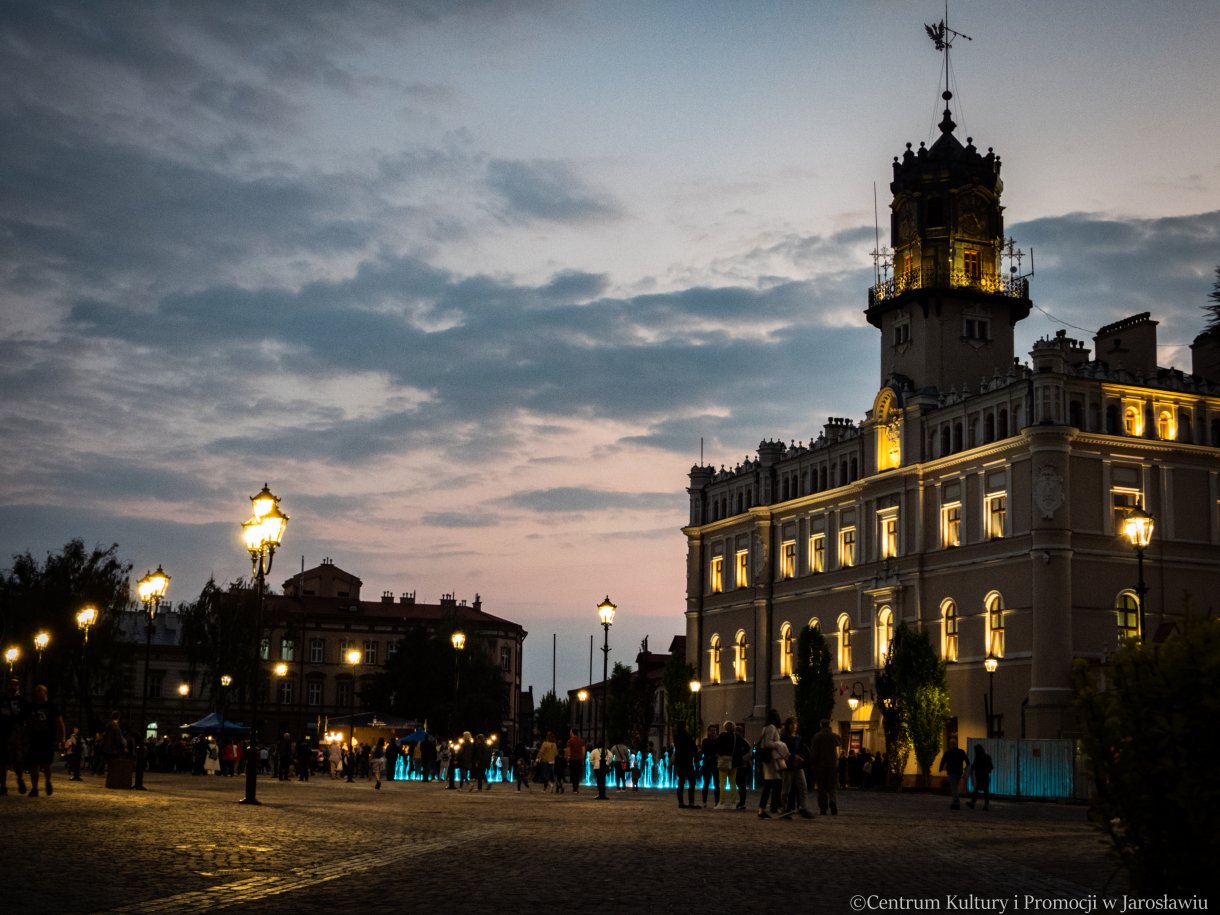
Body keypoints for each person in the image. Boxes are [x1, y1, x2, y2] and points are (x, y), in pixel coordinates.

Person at [24, 685, 65, 797]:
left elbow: (60, 722)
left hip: (47, 739)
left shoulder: (51, 706)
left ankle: (48, 781)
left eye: (39, 691)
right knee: (34, 765)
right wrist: (26, 736)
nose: (36, 693)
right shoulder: (32, 706)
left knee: (46, 764)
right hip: (34, 738)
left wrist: (62, 738)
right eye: (35, 691)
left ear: (45, 692)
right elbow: (28, 722)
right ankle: (35, 788)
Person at [779, 716, 813, 818]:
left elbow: (802, 749)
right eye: (792, 724)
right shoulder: (784, 738)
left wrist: (801, 757)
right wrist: (793, 757)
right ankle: (783, 807)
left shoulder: (799, 737)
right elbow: (784, 751)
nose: (794, 726)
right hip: (788, 767)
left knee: (803, 787)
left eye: (795, 724)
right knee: (786, 789)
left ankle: (803, 807)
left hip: (798, 766)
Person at [0, 677, 29, 795]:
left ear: (18, 687)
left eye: (15, 684)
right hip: (2, 732)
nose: (13, 686)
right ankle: (3, 785)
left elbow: (26, 717)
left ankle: (20, 778)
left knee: (17, 760)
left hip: (16, 733)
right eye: (11, 684)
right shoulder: (2, 700)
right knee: (2, 761)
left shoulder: (22, 701)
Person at [808, 718, 841, 815]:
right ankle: (833, 801)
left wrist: (812, 764)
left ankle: (823, 808)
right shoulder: (834, 736)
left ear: (821, 725)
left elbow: (813, 753)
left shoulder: (817, 736)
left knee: (821, 787)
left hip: (820, 766)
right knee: (832, 786)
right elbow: (839, 742)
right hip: (832, 765)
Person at [756, 709, 784, 818]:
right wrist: (779, 744)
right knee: (775, 783)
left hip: (767, 759)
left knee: (771, 783)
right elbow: (768, 743)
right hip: (771, 759)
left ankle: (766, 808)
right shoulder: (772, 727)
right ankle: (773, 807)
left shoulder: (765, 728)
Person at [939, 738, 970, 810]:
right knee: (955, 788)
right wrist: (965, 768)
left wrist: (940, 769)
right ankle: (954, 803)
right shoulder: (961, 752)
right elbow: (968, 762)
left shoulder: (948, 752)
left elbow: (943, 761)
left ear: (950, 744)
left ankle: (956, 803)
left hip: (952, 772)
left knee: (954, 788)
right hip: (959, 772)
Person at [673, 721, 698, 808]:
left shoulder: (676, 736)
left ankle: (681, 802)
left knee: (681, 781)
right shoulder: (688, 736)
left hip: (679, 762)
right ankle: (691, 802)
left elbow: (678, 748)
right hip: (687, 761)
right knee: (692, 781)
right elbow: (694, 748)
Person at [713, 720, 735, 809]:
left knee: (722, 782)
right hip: (733, 761)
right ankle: (734, 802)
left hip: (723, 759)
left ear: (725, 727)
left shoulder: (722, 735)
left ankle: (722, 802)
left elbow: (716, 745)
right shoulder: (735, 736)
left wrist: (718, 754)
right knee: (733, 782)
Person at [966, 744, 993, 810]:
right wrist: (987, 771)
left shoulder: (978, 757)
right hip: (986, 776)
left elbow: (973, 766)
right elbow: (991, 766)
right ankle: (986, 806)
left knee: (976, 790)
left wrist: (968, 771)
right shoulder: (988, 756)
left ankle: (972, 803)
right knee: (986, 791)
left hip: (979, 776)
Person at [699, 723, 720, 808]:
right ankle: (704, 802)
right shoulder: (705, 741)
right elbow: (705, 751)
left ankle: (717, 802)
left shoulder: (718, 741)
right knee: (706, 783)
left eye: (714, 731)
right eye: (711, 731)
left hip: (715, 763)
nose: (713, 732)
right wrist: (714, 753)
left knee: (716, 784)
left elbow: (718, 751)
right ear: (708, 732)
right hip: (707, 763)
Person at [732, 723, 752, 810]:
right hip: (742, 765)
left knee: (741, 783)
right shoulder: (741, 740)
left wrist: (742, 759)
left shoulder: (743, 741)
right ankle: (741, 801)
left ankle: (742, 802)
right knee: (740, 783)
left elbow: (749, 752)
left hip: (743, 765)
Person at [566, 728, 586, 794]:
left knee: (573, 774)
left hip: (573, 759)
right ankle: (576, 787)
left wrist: (568, 758)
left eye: (570, 732)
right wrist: (582, 759)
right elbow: (583, 751)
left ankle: (574, 788)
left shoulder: (570, 741)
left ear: (572, 733)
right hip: (579, 760)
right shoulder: (581, 741)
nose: (569, 733)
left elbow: (568, 751)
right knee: (577, 774)